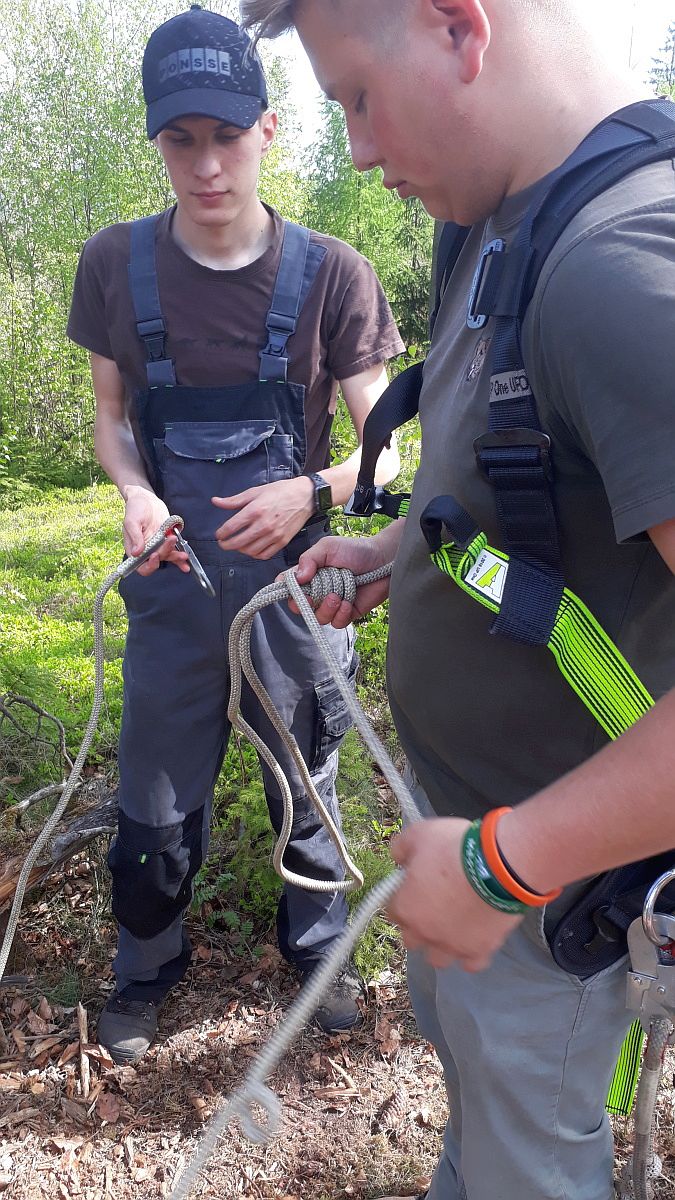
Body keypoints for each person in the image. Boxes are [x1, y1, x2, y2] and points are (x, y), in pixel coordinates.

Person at [241, 2, 675, 1198]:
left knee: (529, 1158)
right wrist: (401, 553)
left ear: (456, 26)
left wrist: (505, 865)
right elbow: (533, 481)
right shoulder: (495, 226)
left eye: (356, 99)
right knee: (487, 1132)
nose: (358, 149)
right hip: (481, 849)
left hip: (553, 894)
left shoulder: (621, 271)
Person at [66, 3, 403, 1066]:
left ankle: (321, 953)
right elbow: (111, 420)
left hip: (296, 590)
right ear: (157, 140)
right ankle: (145, 967)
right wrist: (133, 491)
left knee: (307, 778)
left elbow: (387, 451)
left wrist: (312, 491)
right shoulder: (114, 265)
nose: (206, 165)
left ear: (266, 128)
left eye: (226, 135)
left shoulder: (334, 273)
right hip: (169, 585)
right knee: (154, 798)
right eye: (181, 140)